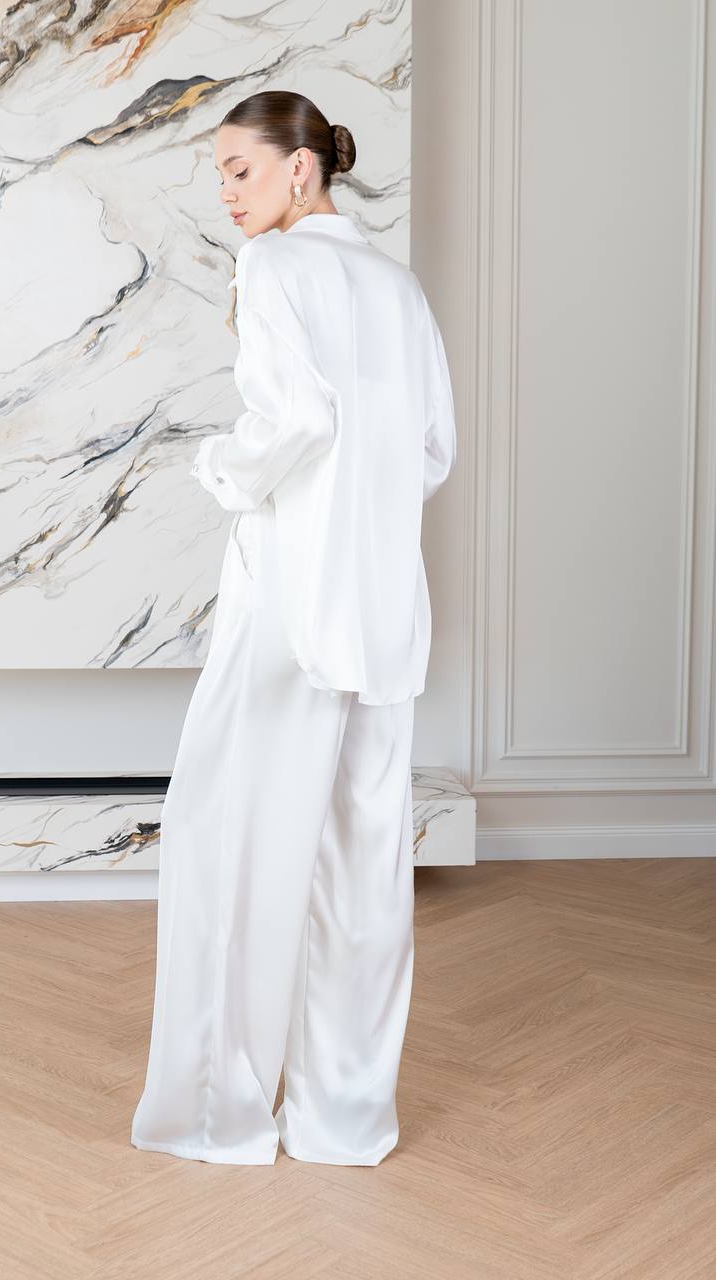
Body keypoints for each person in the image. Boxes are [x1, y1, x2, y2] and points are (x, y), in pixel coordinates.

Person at [131, 90, 456, 1166]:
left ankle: (220, 1114)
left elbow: (298, 422)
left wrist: (226, 468)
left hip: (286, 600)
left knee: (231, 848)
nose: (224, 193)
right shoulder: (398, 286)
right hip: (382, 608)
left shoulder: (274, 269)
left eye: (237, 169)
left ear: (300, 170)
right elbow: (429, 455)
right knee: (361, 870)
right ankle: (344, 1119)